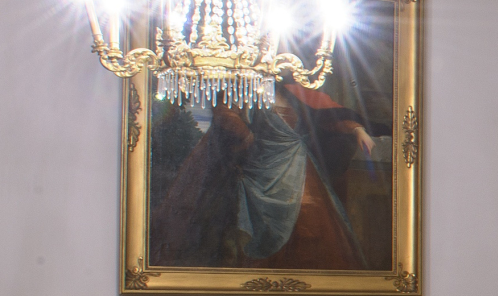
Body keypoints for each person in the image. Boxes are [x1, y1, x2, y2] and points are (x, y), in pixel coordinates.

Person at [151, 80, 375, 268]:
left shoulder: (296, 92)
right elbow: (226, 113)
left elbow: (328, 117)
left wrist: (357, 129)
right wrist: (245, 134)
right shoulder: (244, 88)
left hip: (298, 168)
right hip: (258, 168)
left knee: (314, 227)